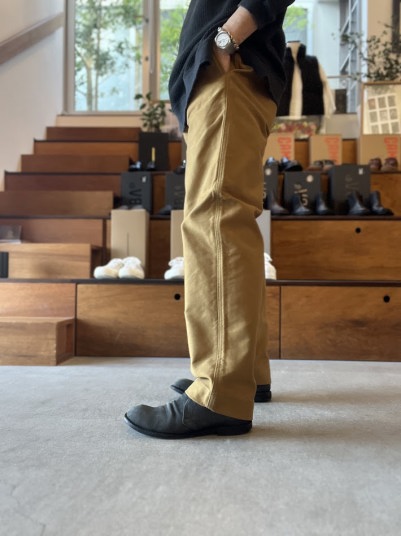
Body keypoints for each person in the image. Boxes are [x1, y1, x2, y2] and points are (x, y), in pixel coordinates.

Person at [125, 0, 295, 439]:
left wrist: (226, 38)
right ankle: (245, 372)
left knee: (215, 223)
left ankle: (221, 389)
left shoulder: (229, 48)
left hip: (230, 64)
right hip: (229, 69)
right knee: (230, 225)